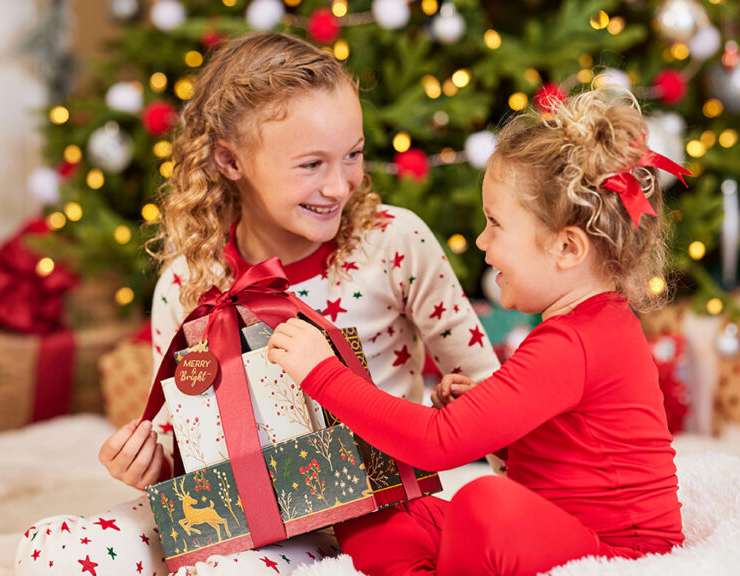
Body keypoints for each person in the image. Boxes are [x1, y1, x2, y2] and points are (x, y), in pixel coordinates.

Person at [13, 32, 500, 576]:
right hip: (233, 514)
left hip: (375, 519)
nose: (340, 186)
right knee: (56, 552)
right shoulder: (187, 284)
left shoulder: (393, 243)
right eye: (311, 164)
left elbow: (493, 396)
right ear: (229, 159)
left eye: (353, 155)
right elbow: (182, 450)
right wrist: (147, 461)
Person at [266, 85, 688, 576]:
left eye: (495, 224)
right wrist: (494, 427)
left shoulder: (575, 340)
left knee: (484, 504)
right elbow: (569, 458)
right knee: (380, 518)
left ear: (567, 249)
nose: (483, 242)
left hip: (619, 555)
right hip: (558, 528)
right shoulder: (587, 323)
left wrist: (322, 373)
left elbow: (438, 443)